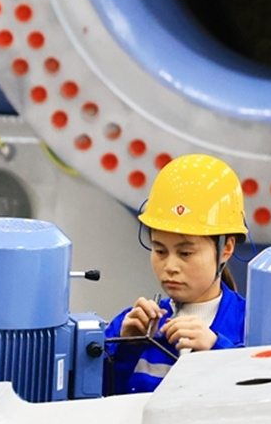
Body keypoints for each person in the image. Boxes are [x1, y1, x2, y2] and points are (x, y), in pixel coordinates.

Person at [104, 154, 247, 394]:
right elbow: (92, 399)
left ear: (226, 249)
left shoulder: (250, 326)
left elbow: (268, 397)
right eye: (160, 251)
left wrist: (217, 349)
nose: (170, 266)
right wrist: (125, 347)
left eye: (186, 253)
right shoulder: (130, 325)